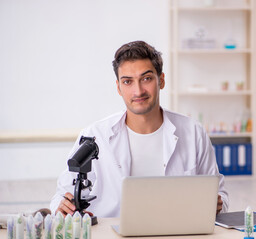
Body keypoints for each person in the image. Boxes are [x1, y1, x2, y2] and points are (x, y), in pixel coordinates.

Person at [50, 40, 229, 217]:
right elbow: (61, 195)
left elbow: (220, 194)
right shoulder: (95, 136)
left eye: (146, 79)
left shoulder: (193, 132)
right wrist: (62, 206)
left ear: (162, 80)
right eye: (128, 82)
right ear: (119, 87)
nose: (138, 91)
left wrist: (216, 203)